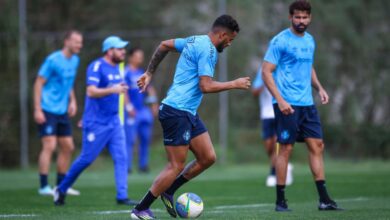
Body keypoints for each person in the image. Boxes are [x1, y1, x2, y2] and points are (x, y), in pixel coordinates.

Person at [130, 14, 251, 220]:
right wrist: (235, 84)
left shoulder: (194, 40)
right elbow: (206, 86)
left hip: (187, 112)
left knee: (208, 157)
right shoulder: (208, 50)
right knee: (175, 165)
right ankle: (140, 209)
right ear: (222, 34)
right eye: (230, 39)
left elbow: (164, 45)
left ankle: (169, 191)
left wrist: (149, 73)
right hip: (176, 111)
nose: (230, 43)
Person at [262, 0, 342, 211]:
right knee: (285, 149)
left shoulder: (310, 41)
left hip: (307, 104)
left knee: (317, 146)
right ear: (290, 17)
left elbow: (308, 67)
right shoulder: (280, 41)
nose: (301, 21)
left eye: (305, 17)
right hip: (287, 104)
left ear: (310, 18)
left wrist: (319, 88)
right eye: (297, 17)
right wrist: (280, 100)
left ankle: (324, 200)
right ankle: (280, 201)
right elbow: (265, 71)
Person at [53, 36, 137, 206]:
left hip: (114, 121)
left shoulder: (117, 68)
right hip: (97, 123)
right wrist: (113, 89)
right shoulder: (96, 66)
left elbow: (117, 89)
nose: (123, 52)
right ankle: (61, 189)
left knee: (121, 157)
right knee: (86, 159)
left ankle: (122, 195)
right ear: (109, 50)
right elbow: (91, 92)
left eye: (123, 49)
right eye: (119, 49)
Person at [33, 30, 83, 196]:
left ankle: (61, 187)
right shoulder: (53, 60)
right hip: (47, 109)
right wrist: (37, 109)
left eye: (80, 42)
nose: (79, 45)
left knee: (68, 147)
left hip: (62, 111)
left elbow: (69, 83)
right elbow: (38, 83)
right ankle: (43, 186)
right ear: (66, 41)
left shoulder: (75, 60)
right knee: (50, 145)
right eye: (76, 42)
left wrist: (73, 100)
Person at [252, 68, 293, 187]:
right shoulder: (263, 71)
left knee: (277, 143)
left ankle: (273, 173)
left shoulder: (284, 70)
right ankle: (284, 165)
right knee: (269, 147)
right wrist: (266, 82)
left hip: (280, 112)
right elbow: (254, 92)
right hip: (266, 115)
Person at [124, 48, 159, 174]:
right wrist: (128, 107)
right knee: (130, 140)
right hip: (131, 111)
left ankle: (143, 165)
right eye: (138, 56)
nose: (140, 58)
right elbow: (123, 91)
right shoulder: (125, 72)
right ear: (131, 57)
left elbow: (150, 89)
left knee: (145, 138)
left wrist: (154, 104)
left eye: (141, 56)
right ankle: (127, 166)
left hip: (143, 111)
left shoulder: (142, 73)